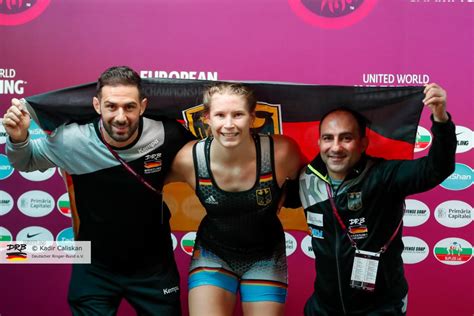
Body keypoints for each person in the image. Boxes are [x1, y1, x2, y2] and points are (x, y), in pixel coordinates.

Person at [3, 66, 193, 315]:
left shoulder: (167, 134)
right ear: (97, 105)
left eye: (129, 107)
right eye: (111, 106)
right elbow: (26, 161)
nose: (121, 117)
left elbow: (209, 161)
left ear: (143, 106)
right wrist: (18, 139)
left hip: (154, 267)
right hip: (94, 265)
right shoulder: (72, 141)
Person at [298, 83, 456, 315]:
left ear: (363, 143)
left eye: (346, 138)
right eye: (328, 138)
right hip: (324, 307)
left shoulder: (384, 176)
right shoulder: (305, 179)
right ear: (319, 143)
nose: (335, 147)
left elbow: (437, 168)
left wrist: (440, 119)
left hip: (381, 308)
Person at [167, 82, 305, 316]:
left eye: (238, 114)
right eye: (220, 115)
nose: (229, 125)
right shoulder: (190, 158)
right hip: (213, 253)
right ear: (206, 118)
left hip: (266, 256)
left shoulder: (281, 153)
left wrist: (285, 195)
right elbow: (147, 185)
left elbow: (319, 183)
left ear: (252, 117)